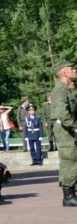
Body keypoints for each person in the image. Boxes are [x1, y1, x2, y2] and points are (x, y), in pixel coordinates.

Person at [47, 61, 77, 207]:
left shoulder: (65, 89)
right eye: (72, 68)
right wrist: (75, 127)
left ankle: (72, 192)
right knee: (69, 161)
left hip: (68, 129)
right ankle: (69, 196)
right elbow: (63, 113)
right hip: (66, 130)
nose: (75, 70)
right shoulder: (60, 89)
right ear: (65, 73)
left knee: (73, 160)